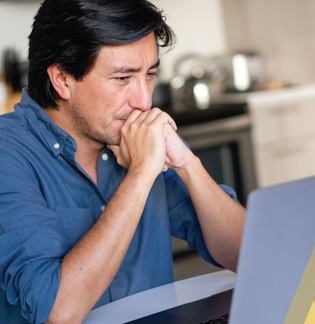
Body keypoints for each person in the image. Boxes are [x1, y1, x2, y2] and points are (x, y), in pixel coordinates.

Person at [0, 0, 246, 323]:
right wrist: (141, 175)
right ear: (62, 79)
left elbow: (247, 255)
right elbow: (57, 312)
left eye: (150, 75)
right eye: (122, 78)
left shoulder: (139, 132)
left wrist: (187, 163)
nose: (144, 101)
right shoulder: (9, 154)